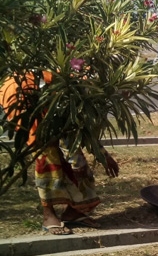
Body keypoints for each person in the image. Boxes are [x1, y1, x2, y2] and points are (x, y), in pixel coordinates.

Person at [1, 72, 120, 235]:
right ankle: (48, 215)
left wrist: (103, 155)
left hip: (66, 126)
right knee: (49, 170)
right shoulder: (31, 80)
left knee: (79, 169)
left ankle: (73, 212)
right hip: (40, 129)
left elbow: (82, 126)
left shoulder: (78, 87)